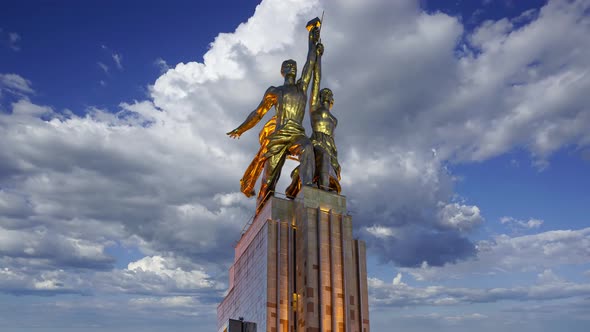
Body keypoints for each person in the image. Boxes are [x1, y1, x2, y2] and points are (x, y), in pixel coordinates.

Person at [227, 22, 321, 212]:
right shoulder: (275, 91)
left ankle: (307, 187)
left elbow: (310, 62)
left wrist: (312, 38)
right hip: (278, 136)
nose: (292, 67)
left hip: (296, 134)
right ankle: (262, 210)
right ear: (283, 71)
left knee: (308, 148)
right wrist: (241, 128)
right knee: (269, 178)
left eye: (294, 65)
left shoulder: (301, 87)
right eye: (288, 65)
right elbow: (258, 113)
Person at [286, 41, 341, 198]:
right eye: (324, 93)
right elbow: (317, 79)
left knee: (328, 161)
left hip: (331, 146)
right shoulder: (315, 108)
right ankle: (322, 189)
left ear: (332, 100)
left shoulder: (334, 119)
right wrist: (318, 56)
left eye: (329, 93)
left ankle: (323, 189)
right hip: (317, 141)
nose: (327, 94)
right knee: (322, 155)